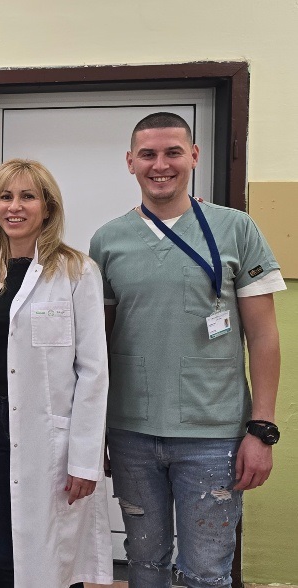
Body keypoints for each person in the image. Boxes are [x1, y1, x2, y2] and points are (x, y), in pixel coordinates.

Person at [89, 112, 285, 588]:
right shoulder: (108, 241)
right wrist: (95, 434)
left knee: (207, 572)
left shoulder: (236, 229)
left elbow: (263, 336)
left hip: (213, 435)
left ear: (194, 156)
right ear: (130, 162)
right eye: (148, 154)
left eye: (173, 152)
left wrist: (261, 429)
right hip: (131, 432)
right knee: (144, 563)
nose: (161, 165)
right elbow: (97, 348)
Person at [0, 159, 112, 587]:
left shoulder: (76, 271)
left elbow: (93, 370)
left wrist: (85, 458)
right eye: (5, 197)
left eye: (27, 197)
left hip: (48, 433)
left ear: (47, 207)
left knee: (51, 555)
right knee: (4, 545)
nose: (14, 207)